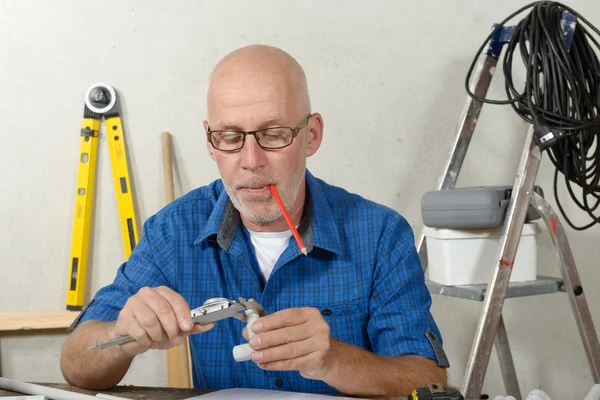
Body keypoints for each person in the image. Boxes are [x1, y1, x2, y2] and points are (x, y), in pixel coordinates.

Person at [60, 44, 449, 397]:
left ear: (311, 135)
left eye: (274, 134)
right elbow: (76, 363)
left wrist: (333, 360)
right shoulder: (174, 230)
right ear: (210, 142)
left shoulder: (380, 234)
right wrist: (121, 336)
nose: (251, 161)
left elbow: (428, 380)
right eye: (230, 137)